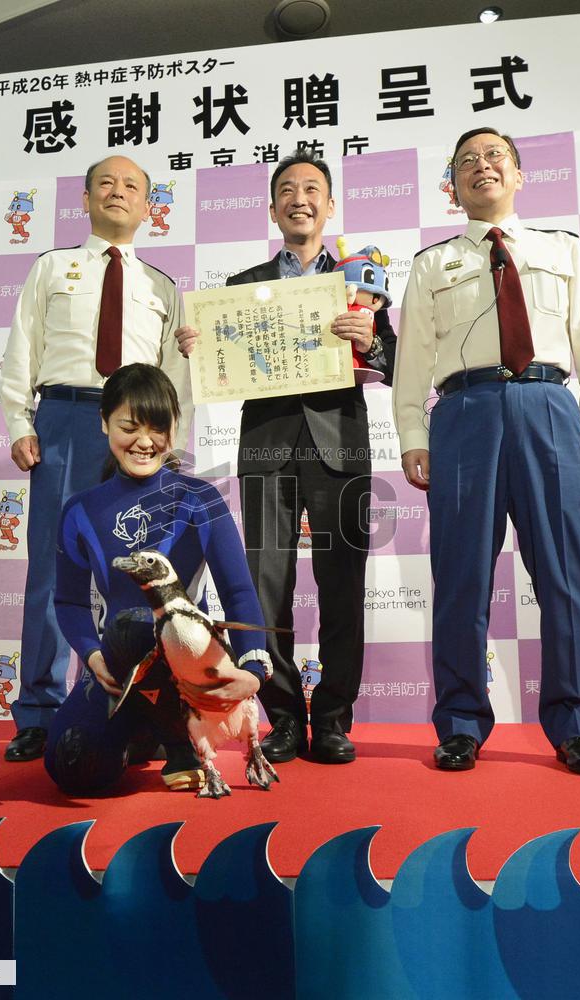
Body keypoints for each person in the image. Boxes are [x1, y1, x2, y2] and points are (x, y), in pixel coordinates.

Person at [393, 127, 580, 775]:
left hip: (548, 408)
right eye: (466, 161)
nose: (481, 167)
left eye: (494, 157)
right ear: (454, 186)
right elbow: (411, 366)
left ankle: (575, 725)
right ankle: (462, 721)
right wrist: (413, 433)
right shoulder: (432, 265)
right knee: (462, 578)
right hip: (463, 416)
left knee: (564, 575)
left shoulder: (562, 250)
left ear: (518, 176)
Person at [175, 150, 396, 765]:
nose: (300, 198)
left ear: (329, 204)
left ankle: (331, 718)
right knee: (266, 589)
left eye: (312, 189)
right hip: (267, 446)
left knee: (342, 585)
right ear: (273, 208)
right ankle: (282, 717)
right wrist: (196, 343)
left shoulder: (361, 277)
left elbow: (395, 360)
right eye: (288, 190)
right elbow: (220, 360)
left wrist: (372, 340)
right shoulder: (241, 287)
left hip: (341, 445)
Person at [0, 156, 192, 763]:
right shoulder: (51, 267)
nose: (118, 192)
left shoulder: (164, 287)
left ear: (147, 206)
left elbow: (176, 376)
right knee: (53, 573)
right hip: (63, 420)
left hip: (137, 431)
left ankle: (132, 714)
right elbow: (20, 348)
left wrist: (170, 446)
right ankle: (38, 710)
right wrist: (19, 423)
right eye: (106, 183)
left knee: (135, 577)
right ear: (84, 199)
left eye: (132, 186)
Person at [46, 363, 270, 795]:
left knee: (139, 620)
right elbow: (70, 603)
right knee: (71, 768)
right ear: (104, 423)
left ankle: (177, 739)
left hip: (189, 672)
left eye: (157, 428)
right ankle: (143, 730)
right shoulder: (80, 509)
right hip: (119, 668)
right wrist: (93, 657)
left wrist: (254, 672)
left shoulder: (199, 499)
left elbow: (239, 592)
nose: (145, 442)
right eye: (129, 427)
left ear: (174, 428)